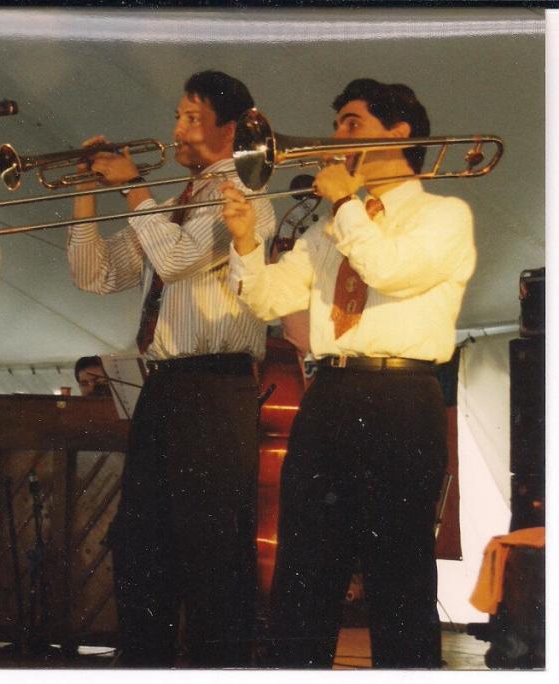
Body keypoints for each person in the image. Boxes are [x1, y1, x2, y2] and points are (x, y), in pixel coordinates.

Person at [222, 78, 475, 668]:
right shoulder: (329, 227)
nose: (335, 137)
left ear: (400, 133)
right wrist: (244, 244)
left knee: (399, 578)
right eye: (336, 124)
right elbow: (267, 300)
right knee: (304, 570)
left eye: (352, 123)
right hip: (331, 392)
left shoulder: (445, 214)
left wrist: (345, 204)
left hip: (402, 396)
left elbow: (393, 272)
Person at [66, 70, 276, 667]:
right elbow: (96, 275)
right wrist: (85, 193)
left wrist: (134, 192)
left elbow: (179, 259)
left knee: (210, 556)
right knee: (141, 550)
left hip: (215, 388)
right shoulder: (176, 202)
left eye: (189, 117)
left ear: (228, 127)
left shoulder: (244, 190)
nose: (175, 130)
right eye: (178, 117)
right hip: (166, 389)